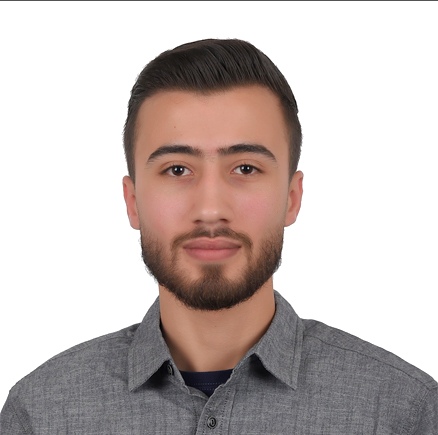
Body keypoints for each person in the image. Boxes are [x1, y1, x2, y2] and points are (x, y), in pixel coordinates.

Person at [0, 38, 436, 434]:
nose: (210, 209)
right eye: (177, 170)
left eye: (245, 168)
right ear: (133, 202)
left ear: (291, 198)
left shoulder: (402, 412)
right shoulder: (41, 414)